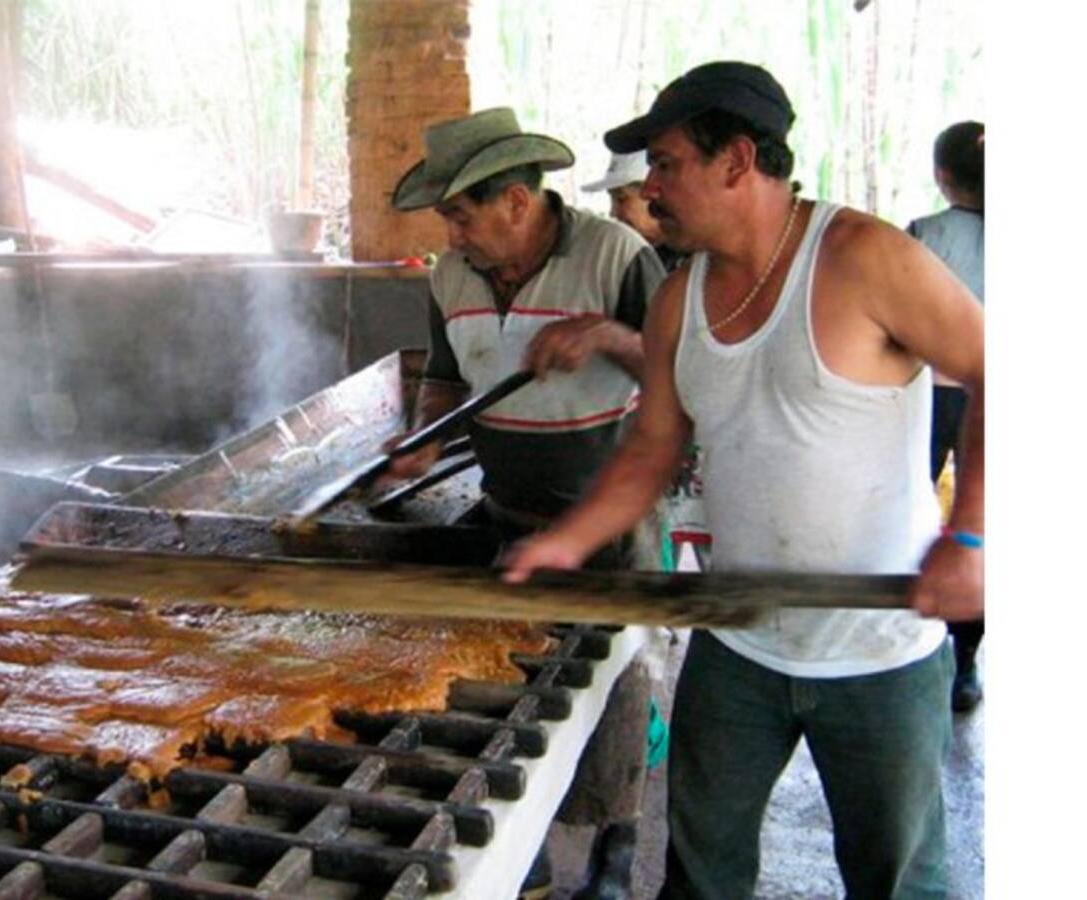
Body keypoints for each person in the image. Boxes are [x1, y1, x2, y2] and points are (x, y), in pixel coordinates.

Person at [505, 61, 985, 900]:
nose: (650, 189)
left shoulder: (863, 255)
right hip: (737, 638)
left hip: (878, 652)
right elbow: (652, 451)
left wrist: (970, 537)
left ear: (736, 161)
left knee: (899, 881)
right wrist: (566, 542)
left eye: (665, 163)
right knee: (699, 875)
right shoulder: (676, 300)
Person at [387, 107, 666, 899]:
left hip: (612, 525)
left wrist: (608, 337)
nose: (453, 233)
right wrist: (424, 440)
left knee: (617, 694)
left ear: (515, 199)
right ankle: (528, 856)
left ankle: (617, 842)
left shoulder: (615, 253)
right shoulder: (451, 276)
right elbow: (445, 376)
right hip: (510, 517)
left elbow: (681, 381)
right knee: (508, 694)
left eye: (460, 213)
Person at [907, 120, 986, 713]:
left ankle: (918, 645)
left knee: (915, 514)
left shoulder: (922, 236)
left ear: (942, 176)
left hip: (932, 398)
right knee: (979, 529)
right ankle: (965, 665)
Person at [583, 150, 686, 270]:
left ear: (652, 194)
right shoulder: (629, 257)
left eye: (621, 199)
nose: (613, 212)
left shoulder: (698, 259)